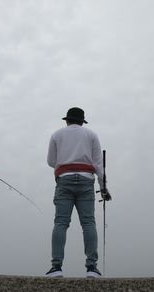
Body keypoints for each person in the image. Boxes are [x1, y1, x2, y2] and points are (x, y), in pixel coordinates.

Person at [46, 107, 111, 278]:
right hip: (86, 180)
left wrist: (65, 163)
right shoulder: (91, 135)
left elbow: (51, 161)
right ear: (82, 121)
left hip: (64, 179)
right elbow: (98, 165)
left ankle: (56, 267)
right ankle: (91, 268)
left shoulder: (56, 135)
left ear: (66, 120)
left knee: (61, 222)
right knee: (88, 223)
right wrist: (103, 188)